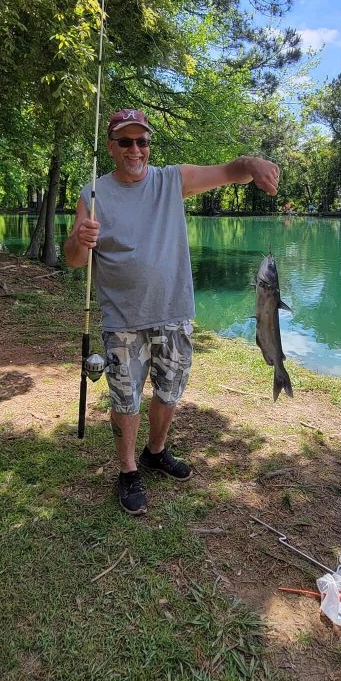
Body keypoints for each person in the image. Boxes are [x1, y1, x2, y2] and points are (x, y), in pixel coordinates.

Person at [64, 108, 279, 515]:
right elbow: (75, 260)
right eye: (125, 141)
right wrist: (79, 238)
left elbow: (227, 171)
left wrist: (251, 164)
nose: (135, 149)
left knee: (169, 391)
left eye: (141, 141)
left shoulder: (171, 180)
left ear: (149, 146)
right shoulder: (92, 194)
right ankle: (128, 471)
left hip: (173, 314)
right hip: (122, 319)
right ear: (111, 146)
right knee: (125, 400)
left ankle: (155, 452)